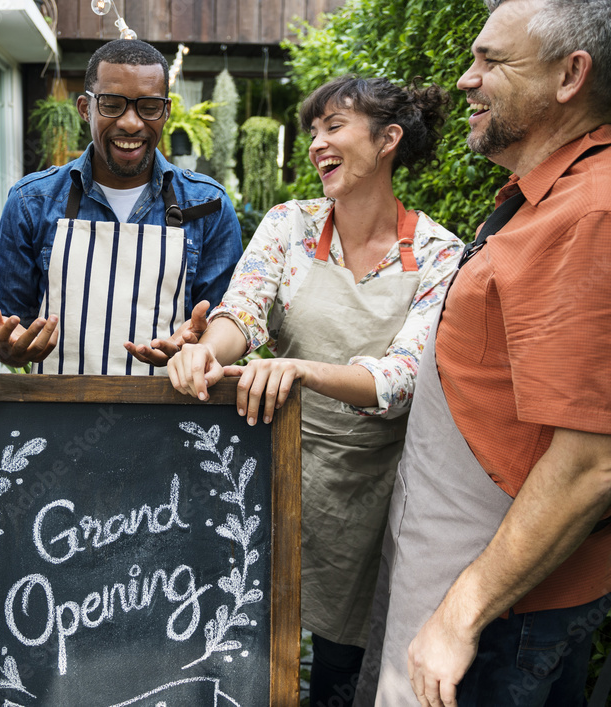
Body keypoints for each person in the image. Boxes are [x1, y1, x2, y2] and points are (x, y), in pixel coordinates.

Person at [168, 76, 463, 706]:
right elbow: (242, 314)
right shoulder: (289, 225)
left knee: (341, 672)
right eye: (312, 131)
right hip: (270, 470)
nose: (316, 144)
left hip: (371, 493)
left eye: (334, 126)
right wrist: (204, 351)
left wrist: (300, 371)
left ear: (389, 139)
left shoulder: (441, 254)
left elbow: (405, 378)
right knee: (238, 645)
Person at [354, 1, 611, 705]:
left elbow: (592, 461)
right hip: (465, 574)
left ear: (570, 77)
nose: (465, 80)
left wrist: (460, 614)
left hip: (505, 615)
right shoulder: (541, 199)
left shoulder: (590, 213)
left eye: (491, 60)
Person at [0, 38, 243, 375]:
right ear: (85, 108)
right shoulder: (31, 201)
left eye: (148, 106)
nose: (131, 123)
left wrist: (200, 348)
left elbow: (224, 328)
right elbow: (11, 328)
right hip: (55, 419)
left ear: (166, 112)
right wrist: (8, 348)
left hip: (173, 417)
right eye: (111, 104)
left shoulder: (209, 204)